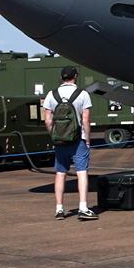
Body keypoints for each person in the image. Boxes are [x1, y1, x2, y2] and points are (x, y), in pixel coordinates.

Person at [43, 65, 96, 220]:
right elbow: (85, 120)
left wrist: (54, 136)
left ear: (61, 78)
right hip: (77, 139)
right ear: (76, 76)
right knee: (81, 172)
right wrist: (87, 139)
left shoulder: (51, 95)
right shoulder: (82, 94)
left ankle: (59, 209)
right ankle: (83, 207)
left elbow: (47, 120)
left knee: (60, 173)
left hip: (59, 140)